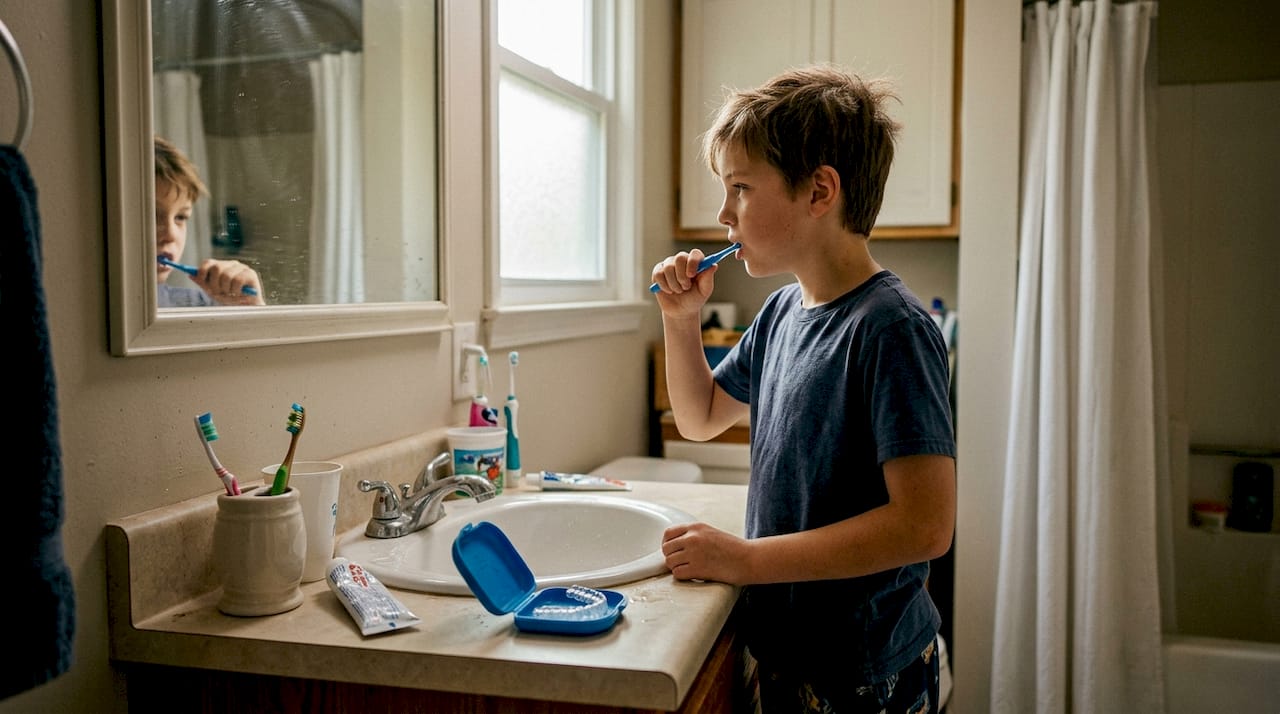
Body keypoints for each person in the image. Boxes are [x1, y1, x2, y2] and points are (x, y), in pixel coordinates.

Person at [651, 65, 956, 713]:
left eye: (739, 188)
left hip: (868, 675)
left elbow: (926, 527)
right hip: (788, 654)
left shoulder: (891, 328)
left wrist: (746, 559)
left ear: (819, 191)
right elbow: (702, 417)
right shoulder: (782, 313)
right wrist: (681, 322)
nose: (722, 213)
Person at [154, 136, 265, 306]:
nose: (171, 234)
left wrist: (250, 309)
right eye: (152, 215)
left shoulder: (200, 306)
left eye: (181, 217)